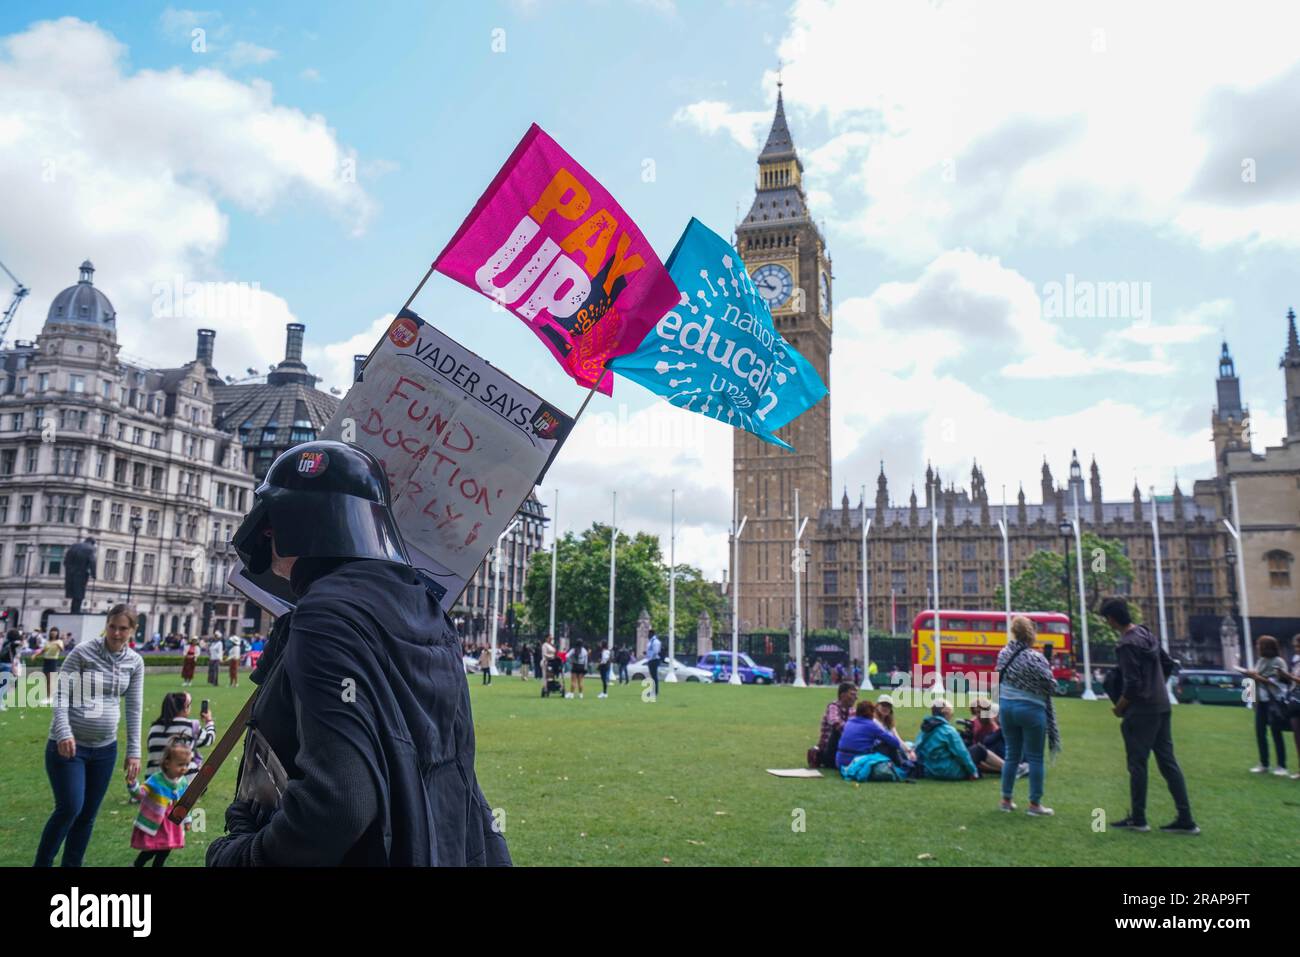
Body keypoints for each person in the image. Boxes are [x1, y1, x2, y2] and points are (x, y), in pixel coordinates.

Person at [208, 440, 509, 866]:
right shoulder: (422, 605)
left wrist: (244, 856)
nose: (266, 532)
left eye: (275, 518)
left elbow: (340, 803)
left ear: (300, 522)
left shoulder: (327, 615)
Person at [35, 604, 144, 867]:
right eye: (112, 626)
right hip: (69, 747)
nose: (116, 633)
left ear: (133, 631)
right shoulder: (84, 652)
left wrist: (134, 751)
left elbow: (134, 707)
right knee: (70, 808)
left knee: (87, 816)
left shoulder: (134, 662)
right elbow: (60, 694)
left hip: (105, 750)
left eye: (123, 628)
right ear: (106, 625)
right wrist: (63, 733)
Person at [1101, 597, 1198, 835]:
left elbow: (1132, 684)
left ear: (1111, 619)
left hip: (1141, 710)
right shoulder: (1147, 634)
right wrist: (1156, 687)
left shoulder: (1126, 644)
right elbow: (1167, 664)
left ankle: (1139, 818)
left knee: (1137, 764)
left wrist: (1120, 707)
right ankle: (1186, 818)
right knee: (1168, 762)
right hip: (1161, 706)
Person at [994, 616, 1059, 816]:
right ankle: (1034, 804)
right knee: (1035, 758)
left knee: (1011, 755)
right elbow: (1051, 685)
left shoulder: (1004, 653)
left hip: (1006, 707)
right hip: (1030, 709)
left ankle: (1006, 800)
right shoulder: (1036, 657)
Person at [130, 737, 192, 867]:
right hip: (156, 822)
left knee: (166, 850)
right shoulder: (156, 780)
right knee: (152, 849)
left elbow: (185, 803)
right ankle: (137, 864)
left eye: (186, 765)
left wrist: (187, 820)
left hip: (172, 823)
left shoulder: (182, 782)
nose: (184, 768)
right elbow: (140, 794)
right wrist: (133, 785)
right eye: (180, 764)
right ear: (168, 763)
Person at [1240, 636, 1291, 776]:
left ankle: (1281, 765)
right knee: (1260, 732)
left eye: (1259, 644)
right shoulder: (1261, 661)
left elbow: (1279, 681)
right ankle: (1264, 764)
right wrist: (1249, 675)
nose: (1257, 647)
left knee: (1276, 733)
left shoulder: (1278, 662)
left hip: (1273, 701)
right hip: (1261, 702)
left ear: (1266, 646)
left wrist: (1257, 677)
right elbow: (1255, 680)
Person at [142, 691, 215, 781]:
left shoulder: (154, 727)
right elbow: (209, 739)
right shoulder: (190, 726)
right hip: (182, 784)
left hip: (153, 784)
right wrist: (209, 721)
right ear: (185, 708)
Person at [913, 701, 980, 781]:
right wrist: (973, 771)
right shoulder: (949, 731)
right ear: (947, 713)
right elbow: (961, 754)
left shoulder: (925, 727)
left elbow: (917, 747)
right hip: (947, 771)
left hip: (928, 770)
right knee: (979, 750)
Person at [836, 699, 904, 768]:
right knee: (889, 746)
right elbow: (895, 743)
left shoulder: (849, 722)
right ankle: (902, 767)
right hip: (858, 761)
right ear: (871, 712)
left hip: (840, 762)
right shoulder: (871, 725)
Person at [808, 682, 857, 769]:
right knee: (837, 731)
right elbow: (835, 722)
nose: (855, 698)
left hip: (843, 748)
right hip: (829, 749)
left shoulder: (852, 710)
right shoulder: (833, 707)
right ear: (842, 695)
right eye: (852, 694)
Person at [31, 626, 64, 705]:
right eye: (52, 632)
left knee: (50, 679)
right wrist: (35, 655)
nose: (53, 633)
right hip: (46, 660)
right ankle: (48, 697)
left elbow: (62, 649)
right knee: (46, 680)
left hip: (53, 660)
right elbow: (43, 650)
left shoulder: (59, 641)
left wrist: (57, 644)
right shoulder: (47, 642)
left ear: (57, 633)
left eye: (55, 632)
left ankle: (50, 697)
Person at [645, 632, 663, 700]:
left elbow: (656, 651)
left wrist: (650, 657)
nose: (648, 636)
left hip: (654, 660)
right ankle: (652, 690)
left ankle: (655, 691)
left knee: (654, 677)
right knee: (652, 677)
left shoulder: (655, 642)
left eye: (649, 634)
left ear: (651, 634)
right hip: (651, 659)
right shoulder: (651, 641)